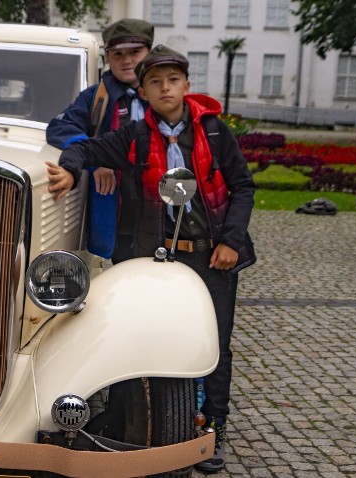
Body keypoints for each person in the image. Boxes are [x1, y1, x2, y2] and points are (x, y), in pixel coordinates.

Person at [46, 45, 256, 473]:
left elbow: (243, 187)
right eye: (155, 82)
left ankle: (212, 429)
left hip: (209, 253)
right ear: (142, 91)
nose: (165, 88)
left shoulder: (213, 131)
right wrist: (69, 168)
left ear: (186, 86)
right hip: (156, 257)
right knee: (149, 338)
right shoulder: (137, 136)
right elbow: (89, 150)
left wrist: (230, 241)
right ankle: (142, 421)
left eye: (173, 80)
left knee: (216, 344)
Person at [46, 18, 153, 263]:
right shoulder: (96, 96)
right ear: (108, 57)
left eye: (135, 52)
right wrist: (97, 160)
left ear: (149, 53)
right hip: (114, 210)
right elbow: (61, 126)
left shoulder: (162, 94)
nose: (126, 61)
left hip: (157, 212)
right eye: (118, 54)